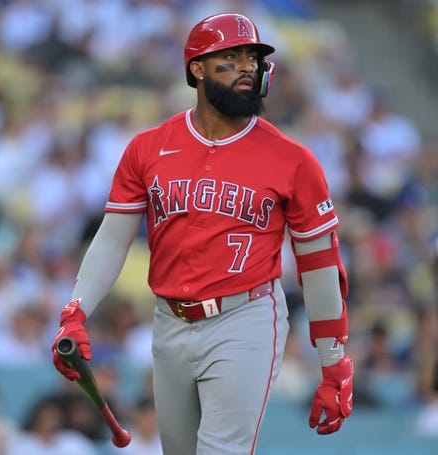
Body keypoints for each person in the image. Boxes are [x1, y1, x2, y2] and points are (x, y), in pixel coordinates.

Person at [51, 12, 354, 455]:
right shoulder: (148, 147)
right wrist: (75, 311)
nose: (247, 67)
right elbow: (113, 239)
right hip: (168, 319)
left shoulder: (294, 160)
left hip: (244, 317)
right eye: (230, 58)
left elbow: (320, 263)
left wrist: (333, 361)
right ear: (197, 69)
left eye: (252, 58)